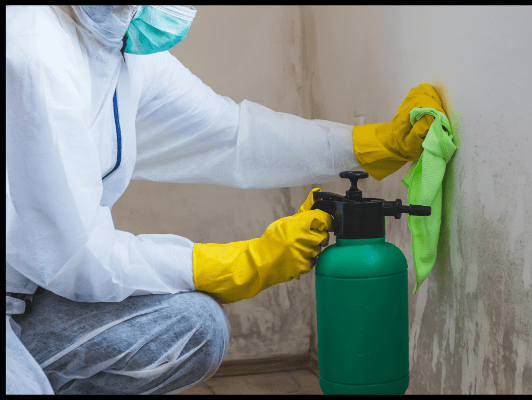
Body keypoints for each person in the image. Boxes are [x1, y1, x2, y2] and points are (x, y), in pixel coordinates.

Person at [5, 5, 445, 394]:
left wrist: (369, 146)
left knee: (194, 326)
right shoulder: (34, 50)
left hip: (30, 294)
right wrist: (241, 263)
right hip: (41, 281)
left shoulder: (118, 47)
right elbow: (77, 258)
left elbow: (233, 137)